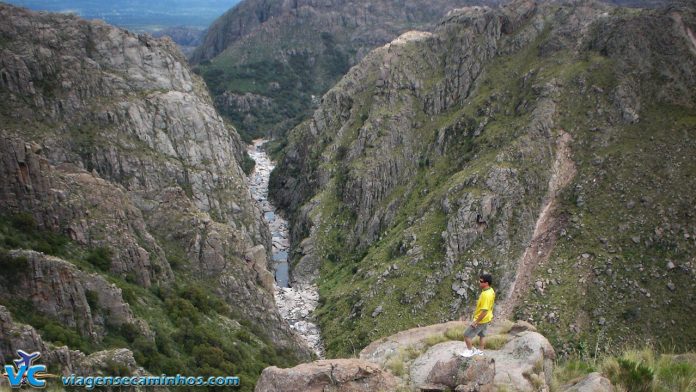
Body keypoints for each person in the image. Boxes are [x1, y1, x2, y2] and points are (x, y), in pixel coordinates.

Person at [459, 273, 495, 357]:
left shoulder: (486, 295)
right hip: (487, 318)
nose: (479, 282)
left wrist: (476, 322)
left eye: (481, 281)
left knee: (466, 335)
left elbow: (484, 311)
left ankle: (469, 351)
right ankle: (480, 351)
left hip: (481, 319)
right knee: (482, 335)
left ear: (486, 283)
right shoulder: (490, 290)